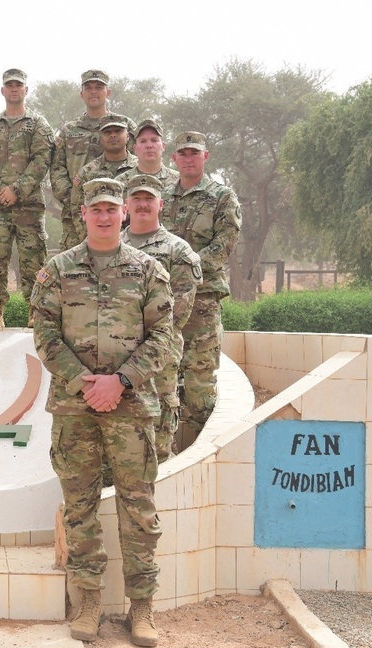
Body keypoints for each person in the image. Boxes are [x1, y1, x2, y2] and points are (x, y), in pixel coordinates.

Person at [31, 177, 173, 648]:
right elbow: (44, 335)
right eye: (97, 209)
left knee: (138, 509)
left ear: (125, 214)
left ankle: (142, 607)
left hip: (131, 407)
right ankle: (88, 600)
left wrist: (121, 381)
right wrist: (85, 382)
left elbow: (165, 336)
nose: (106, 215)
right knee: (81, 507)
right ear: (84, 214)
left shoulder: (149, 270)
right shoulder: (57, 269)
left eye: (113, 208)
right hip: (76, 408)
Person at [161, 132, 242, 435]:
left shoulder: (222, 197)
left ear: (205, 157)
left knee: (198, 384)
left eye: (195, 153)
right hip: (163, 302)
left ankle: (199, 454)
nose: (188, 158)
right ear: (174, 159)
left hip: (202, 302)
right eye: (183, 153)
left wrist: (184, 268)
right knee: (163, 379)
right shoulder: (162, 197)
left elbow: (224, 246)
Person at [121, 174, 201, 461]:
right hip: (114, 358)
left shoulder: (178, 251)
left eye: (149, 199)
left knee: (159, 432)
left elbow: (177, 311)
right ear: (125, 205)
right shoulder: (107, 247)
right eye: (137, 199)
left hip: (159, 358)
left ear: (161, 204)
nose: (143, 204)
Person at [0, 68, 54, 328]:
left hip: (29, 206)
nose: (14, 89)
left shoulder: (38, 125)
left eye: (19, 85)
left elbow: (42, 160)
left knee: (33, 260)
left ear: (26, 90)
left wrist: (17, 190)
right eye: (9, 85)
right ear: (2, 90)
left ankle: (35, 312)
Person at [51, 70, 135, 249]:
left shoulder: (125, 126)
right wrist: (74, 197)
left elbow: (139, 163)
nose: (93, 92)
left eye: (99, 87)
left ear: (108, 92)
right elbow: (57, 168)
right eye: (88, 88)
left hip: (123, 214)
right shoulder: (70, 130)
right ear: (82, 94)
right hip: (79, 214)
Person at [72, 114, 137, 213]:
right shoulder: (87, 173)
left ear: (128, 136)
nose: (113, 135)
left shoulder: (141, 168)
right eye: (107, 132)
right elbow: (77, 210)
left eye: (118, 131)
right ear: (101, 139)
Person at [115, 118, 179, 187]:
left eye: (154, 140)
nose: (149, 146)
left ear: (163, 146)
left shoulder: (178, 181)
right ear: (135, 148)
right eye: (143, 141)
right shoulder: (120, 183)